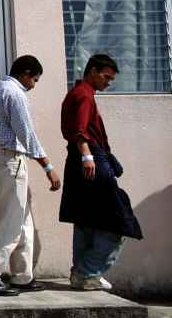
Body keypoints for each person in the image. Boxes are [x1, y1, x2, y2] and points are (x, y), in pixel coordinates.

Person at [0, 55, 61, 296]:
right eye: (35, 79)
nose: (33, 85)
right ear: (26, 73)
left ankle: (22, 276)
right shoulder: (15, 93)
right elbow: (27, 134)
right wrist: (48, 167)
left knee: (22, 221)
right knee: (9, 223)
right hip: (10, 161)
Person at [59, 54, 143, 290]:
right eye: (106, 77)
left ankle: (81, 273)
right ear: (92, 71)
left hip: (81, 162)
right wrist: (87, 155)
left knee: (87, 219)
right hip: (90, 160)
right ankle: (88, 271)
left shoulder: (78, 93)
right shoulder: (84, 94)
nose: (108, 82)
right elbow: (79, 129)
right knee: (119, 221)